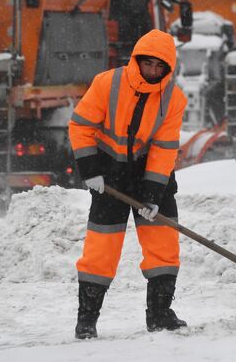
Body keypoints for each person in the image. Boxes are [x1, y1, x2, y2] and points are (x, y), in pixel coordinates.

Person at [68, 29, 188, 339]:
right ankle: (87, 320)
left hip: (151, 176)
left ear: (168, 68)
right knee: (101, 249)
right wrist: (90, 170)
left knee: (164, 244)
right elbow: (81, 127)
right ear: (136, 60)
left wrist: (153, 193)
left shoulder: (173, 98)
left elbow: (163, 149)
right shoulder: (108, 83)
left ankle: (160, 314)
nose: (152, 71)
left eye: (159, 66)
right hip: (109, 176)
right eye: (147, 63)